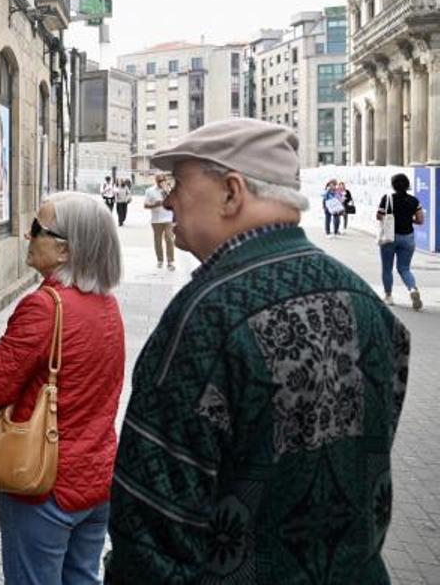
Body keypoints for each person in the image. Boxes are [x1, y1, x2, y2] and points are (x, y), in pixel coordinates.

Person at [107, 118, 410, 584]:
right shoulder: (367, 305)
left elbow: (150, 533)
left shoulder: (209, 317)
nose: (167, 199)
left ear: (231, 192)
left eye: (178, 183)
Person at [0, 192, 124, 584]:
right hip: (95, 481)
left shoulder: (45, 306)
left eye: (37, 229)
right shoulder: (107, 305)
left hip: (45, 484)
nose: (28, 234)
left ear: (64, 249)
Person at [377, 173, 424, 309]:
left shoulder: (388, 198)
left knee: (387, 268)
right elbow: (420, 220)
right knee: (404, 268)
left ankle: (389, 296)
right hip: (408, 238)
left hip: (389, 237)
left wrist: (391, 218)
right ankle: (412, 289)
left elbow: (379, 215)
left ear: (393, 185)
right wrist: (410, 219)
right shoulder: (414, 201)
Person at [144, 174, 176, 269]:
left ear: (165, 180)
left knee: (169, 239)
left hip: (168, 219)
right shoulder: (150, 191)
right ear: (155, 181)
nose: (161, 182)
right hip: (156, 220)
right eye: (159, 180)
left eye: (162, 180)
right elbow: (145, 205)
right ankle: (160, 260)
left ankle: (170, 262)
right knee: (158, 241)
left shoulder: (169, 190)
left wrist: (167, 191)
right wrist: (154, 205)